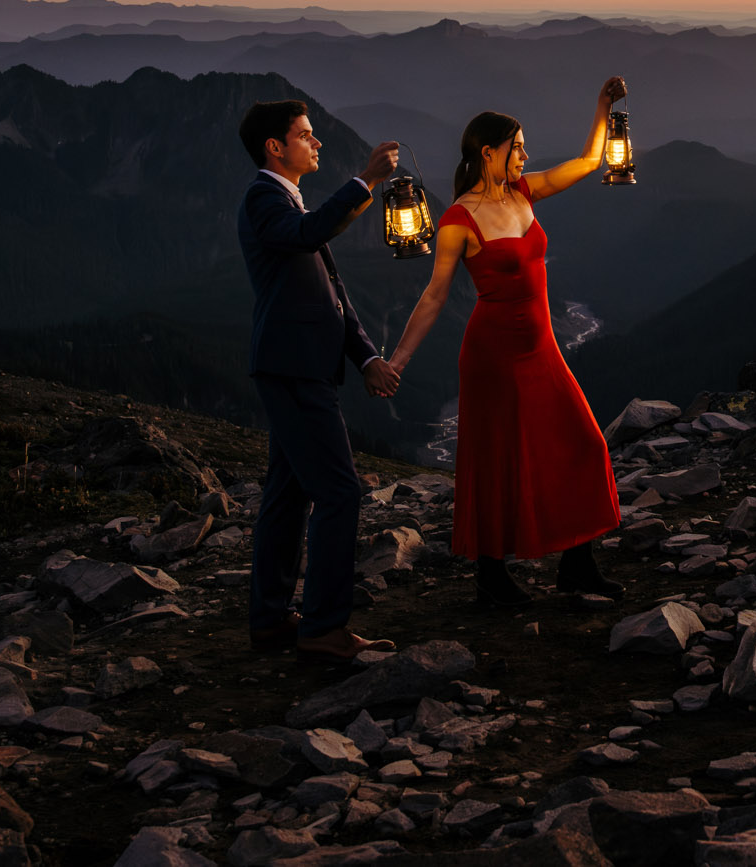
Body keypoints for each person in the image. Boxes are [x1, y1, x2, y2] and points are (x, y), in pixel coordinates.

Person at [387, 77, 628, 607]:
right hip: (492, 355)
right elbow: (433, 297)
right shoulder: (457, 220)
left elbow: (589, 162)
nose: (526, 155)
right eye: (517, 147)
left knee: (584, 444)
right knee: (497, 460)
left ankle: (576, 564)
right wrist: (398, 361)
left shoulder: (526, 191)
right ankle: (491, 578)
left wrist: (603, 105)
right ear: (488, 153)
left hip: (542, 348)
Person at [236, 98, 405, 661]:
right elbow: (308, 235)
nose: (318, 143)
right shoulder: (265, 198)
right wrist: (365, 181)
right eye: (307, 136)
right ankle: (324, 628)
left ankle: (271, 620)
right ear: (275, 148)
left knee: (287, 494)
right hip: (293, 368)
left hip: (297, 364)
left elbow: (333, 297)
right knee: (339, 491)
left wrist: (365, 359)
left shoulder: (287, 199)